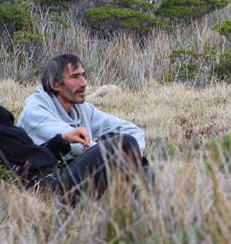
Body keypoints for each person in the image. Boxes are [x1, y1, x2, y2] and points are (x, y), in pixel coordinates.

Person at [0, 57, 141, 203]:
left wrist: (61, 140)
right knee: (124, 144)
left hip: (49, 181)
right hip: (51, 190)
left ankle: (135, 202)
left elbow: (26, 156)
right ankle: (130, 208)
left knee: (145, 170)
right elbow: (34, 164)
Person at [17, 54, 146, 167]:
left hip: (78, 172)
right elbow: (76, 146)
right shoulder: (36, 111)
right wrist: (122, 159)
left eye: (83, 76)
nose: (84, 83)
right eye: (75, 77)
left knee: (127, 143)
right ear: (55, 84)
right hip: (48, 183)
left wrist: (133, 155)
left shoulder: (81, 108)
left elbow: (132, 131)